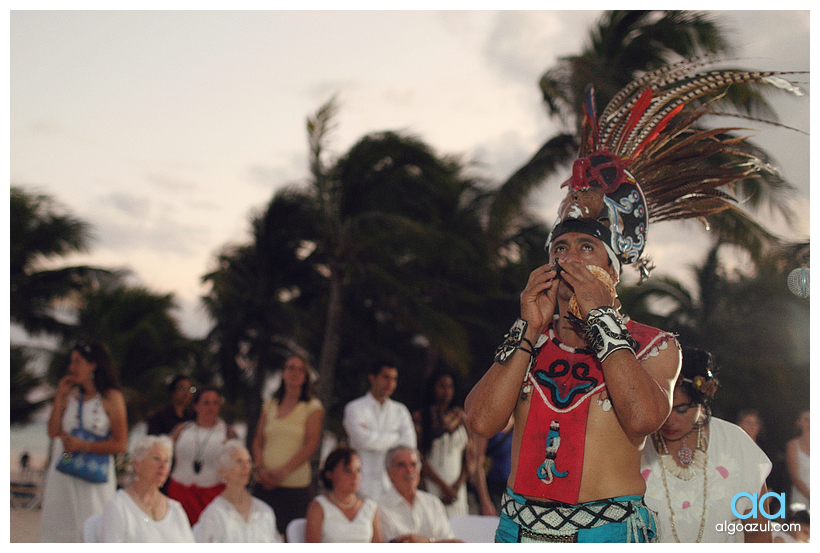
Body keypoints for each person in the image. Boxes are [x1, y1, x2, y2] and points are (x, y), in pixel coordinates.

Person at [464, 60, 800, 543]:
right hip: (519, 532)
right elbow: (480, 422)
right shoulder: (528, 342)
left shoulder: (656, 347)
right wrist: (526, 331)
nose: (570, 261)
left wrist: (601, 318)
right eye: (561, 248)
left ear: (613, 273)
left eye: (586, 249)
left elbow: (644, 418)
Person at [641, 348, 772, 542]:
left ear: (701, 401)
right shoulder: (636, 444)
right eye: (662, 408)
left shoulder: (735, 442)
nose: (669, 420)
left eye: (681, 409)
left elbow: (758, 532)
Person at [40, 341, 128, 542]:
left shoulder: (111, 397)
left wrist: (83, 446)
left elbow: (121, 444)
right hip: (63, 471)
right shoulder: (71, 395)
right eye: (72, 362)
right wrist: (59, 398)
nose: (72, 368)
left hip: (93, 480)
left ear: (93, 365)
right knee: (59, 528)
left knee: (93, 529)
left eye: (77, 362)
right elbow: (53, 432)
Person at [251, 353, 324, 536]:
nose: (295, 373)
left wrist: (282, 472)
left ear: (306, 377)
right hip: (263, 484)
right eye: (291, 368)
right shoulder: (269, 405)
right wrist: (259, 468)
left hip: (295, 487)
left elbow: (311, 445)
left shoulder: (312, 407)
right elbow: (258, 440)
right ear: (283, 373)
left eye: (301, 370)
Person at [98, 435, 194, 542]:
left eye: (167, 461)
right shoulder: (118, 506)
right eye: (156, 458)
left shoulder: (176, 509)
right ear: (136, 464)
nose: (163, 465)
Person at [343, 360, 417, 499]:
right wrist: (396, 437)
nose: (390, 383)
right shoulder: (354, 408)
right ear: (372, 378)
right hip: (362, 485)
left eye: (394, 379)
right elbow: (361, 440)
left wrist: (372, 438)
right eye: (385, 377)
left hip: (392, 486)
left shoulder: (400, 411)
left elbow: (409, 444)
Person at [166, 385, 237, 525]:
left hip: (212, 496)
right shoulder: (182, 429)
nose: (211, 407)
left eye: (215, 403)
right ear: (196, 406)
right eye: (206, 403)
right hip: (179, 494)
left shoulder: (227, 433)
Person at [193, 440, 283, 543]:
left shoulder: (264, 511)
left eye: (248, 461)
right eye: (239, 461)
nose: (246, 467)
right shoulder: (214, 514)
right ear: (223, 472)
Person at [413, 370, 469, 517]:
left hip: (457, 490)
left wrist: (456, 487)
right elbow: (418, 458)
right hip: (432, 487)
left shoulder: (461, 418)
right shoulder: (421, 418)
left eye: (450, 386)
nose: (447, 391)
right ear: (433, 388)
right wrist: (443, 487)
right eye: (442, 386)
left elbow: (470, 458)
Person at [377, 445, 460, 543]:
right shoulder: (380, 508)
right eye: (402, 465)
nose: (409, 471)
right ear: (389, 473)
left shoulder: (433, 503)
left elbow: (452, 545)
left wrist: (428, 542)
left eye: (413, 464)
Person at [305, 446, 383, 543]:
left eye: (358, 470)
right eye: (348, 471)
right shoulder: (319, 506)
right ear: (330, 474)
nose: (355, 476)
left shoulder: (370, 507)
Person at [785, 409, 810, 511]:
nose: (810, 423)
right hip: (801, 500)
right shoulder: (793, 445)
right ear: (799, 422)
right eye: (806, 419)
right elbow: (794, 476)